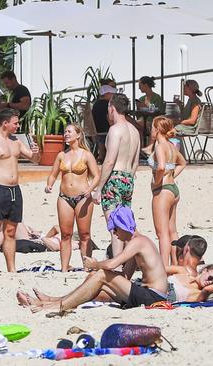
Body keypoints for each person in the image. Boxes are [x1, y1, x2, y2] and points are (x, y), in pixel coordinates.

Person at [15, 206, 213, 311]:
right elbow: (125, 275)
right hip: (146, 292)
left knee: (101, 273)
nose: (116, 235)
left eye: (116, 230)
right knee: (100, 285)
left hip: (153, 296)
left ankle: (57, 306)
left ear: (122, 227)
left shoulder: (139, 242)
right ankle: (52, 300)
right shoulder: (136, 244)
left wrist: (94, 263)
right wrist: (102, 278)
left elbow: (111, 265)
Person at [0, 108, 40, 273]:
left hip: (15, 190)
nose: (18, 126)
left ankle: (11, 269)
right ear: (5, 123)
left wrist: (36, 152)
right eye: (15, 123)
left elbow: (34, 160)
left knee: (11, 231)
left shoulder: (16, 142)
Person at [92, 93, 140, 275]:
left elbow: (109, 161)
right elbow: (136, 162)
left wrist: (99, 189)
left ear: (112, 108)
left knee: (115, 228)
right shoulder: (134, 131)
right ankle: (128, 265)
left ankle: (117, 267)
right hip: (128, 178)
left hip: (115, 178)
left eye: (108, 111)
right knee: (126, 226)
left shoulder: (115, 130)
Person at [45, 124, 100, 271]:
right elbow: (53, 174)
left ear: (78, 135)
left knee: (85, 234)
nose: (66, 134)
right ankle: (64, 268)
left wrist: (90, 189)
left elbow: (97, 176)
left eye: (69, 131)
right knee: (65, 234)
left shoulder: (86, 155)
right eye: (65, 132)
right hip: (64, 198)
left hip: (83, 197)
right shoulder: (61, 155)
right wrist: (49, 184)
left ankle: (87, 267)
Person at [148, 117, 186, 266]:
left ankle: (163, 267)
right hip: (173, 189)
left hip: (163, 191)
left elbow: (161, 167)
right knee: (172, 231)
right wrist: (172, 175)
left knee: (162, 232)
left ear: (157, 129)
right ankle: (175, 263)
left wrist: (157, 181)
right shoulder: (171, 146)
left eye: (152, 127)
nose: (151, 130)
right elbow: (182, 163)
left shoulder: (160, 146)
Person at [141, 79, 202, 154]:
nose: (183, 89)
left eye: (185, 87)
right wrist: (179, 105)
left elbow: (192, 121)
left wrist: (175, 121)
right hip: (182, 125)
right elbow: (185, 115)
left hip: (187, 127)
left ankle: (164, 153)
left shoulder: (195, 102)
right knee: (158, 123)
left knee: (162, 128)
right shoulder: (191, 99)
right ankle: (152, 149)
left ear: (190, 88)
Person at [92, 83, 117, 162]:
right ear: (107, 94)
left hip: (97, 130)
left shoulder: (96, 104)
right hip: (106, 130)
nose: (113, 95)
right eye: (112, 93)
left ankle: (101, 156)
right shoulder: (108, 105)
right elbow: (110, 119)